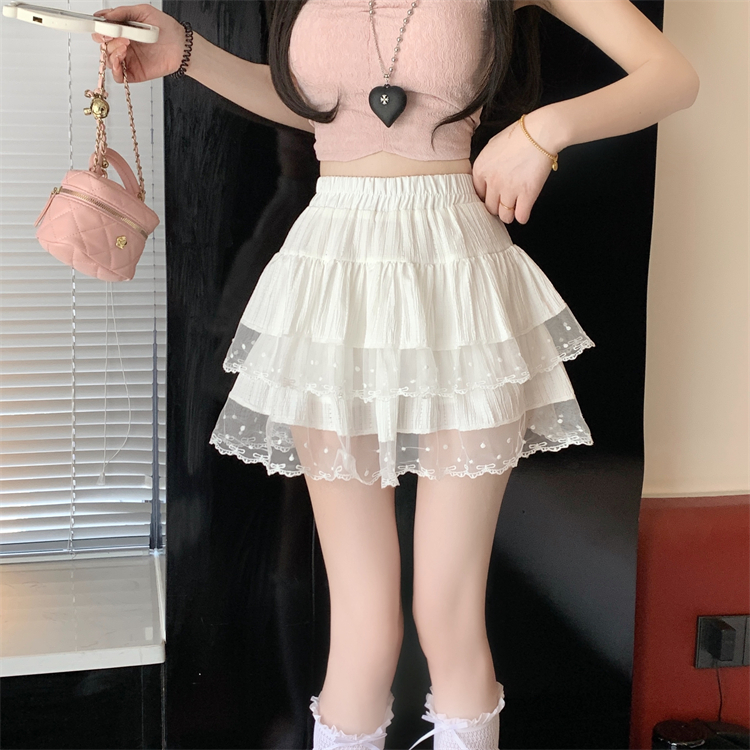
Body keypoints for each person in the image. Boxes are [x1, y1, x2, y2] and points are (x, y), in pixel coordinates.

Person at [92, 2, 699, 748]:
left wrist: (542, 131)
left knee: (448, 613)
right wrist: (184, 51)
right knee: (363, 622)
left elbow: (671, 75)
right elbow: (317, 105)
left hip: (458, 278)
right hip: (332, 275)